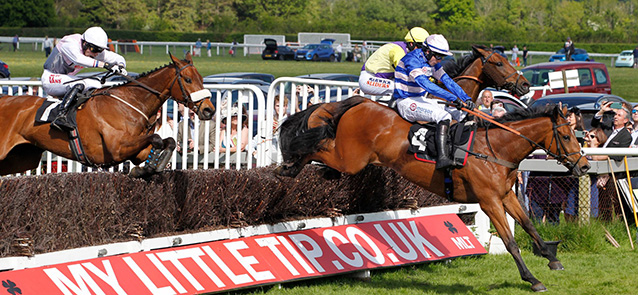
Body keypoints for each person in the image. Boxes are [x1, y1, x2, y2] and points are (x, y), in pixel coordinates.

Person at [393, 34, 474, 169]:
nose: (439, 60)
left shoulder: (432, 62)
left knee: (460, 113)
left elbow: (448, 81)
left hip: (420, 99)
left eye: (441, 57)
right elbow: (427, 85)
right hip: (406, 102)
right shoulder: (412, 60)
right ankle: (442, 158)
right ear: (428, 51)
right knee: (444, 116)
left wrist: (466, 98)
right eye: (438, 56)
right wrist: (453, 98)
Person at [43, 27, 127, 131]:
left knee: (96, 84)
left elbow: (118, 58)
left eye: (99, 50)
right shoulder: (70, 43)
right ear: (85, 43)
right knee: (84, 82)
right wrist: (105, 65)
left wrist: (121, 66)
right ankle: (61, 116)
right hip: (50, 78)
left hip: (66, 80)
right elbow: (79, 59)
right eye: (94, 49)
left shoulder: (92, 50)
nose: (96, 54)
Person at [359, 27, 429, 96]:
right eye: (421, 48)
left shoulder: (409, 52)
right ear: (411, 44)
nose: (422, 51)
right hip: (369, 79)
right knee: (405, 87)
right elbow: (406, 73)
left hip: (381, 80)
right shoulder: (399, 51)